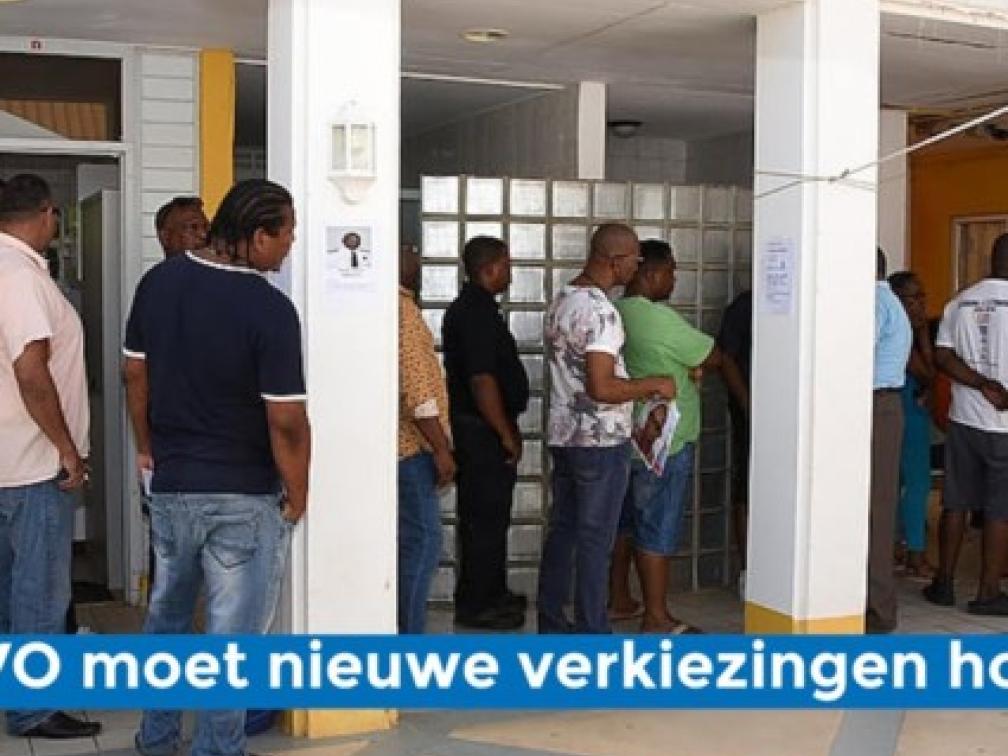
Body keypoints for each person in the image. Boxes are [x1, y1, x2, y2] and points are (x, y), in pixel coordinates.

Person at [124, 179, 310, 756]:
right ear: (258, 236)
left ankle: (156, 740)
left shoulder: (158, 282)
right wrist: (299, 491)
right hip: (241, 497)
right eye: (287, 233)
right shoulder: (270, 310)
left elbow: (134, 374)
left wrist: (148, 446)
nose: (291, 244)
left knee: (167, 625)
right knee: (231, 647)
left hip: (173, 488)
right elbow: (286, 420)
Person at [538, 223, 676, 634]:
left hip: (565, 436)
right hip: (598, 445)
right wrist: (652, 384)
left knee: (563, 532)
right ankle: (593, 634)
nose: (637, 265)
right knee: (596, 541)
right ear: (615, 260)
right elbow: (601, 387)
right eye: (634, 258)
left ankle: (551, 623)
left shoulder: (562, 299)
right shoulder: (602, 313)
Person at [0, 174, 100, 739]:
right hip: (33, 463)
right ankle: (34, 708)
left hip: (9, 460)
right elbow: (31, 370)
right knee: (39, 592)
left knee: (12, 590)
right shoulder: (18, 275)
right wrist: (67, 449)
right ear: (46, 213)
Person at [609, 240, 748, 633]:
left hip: (627, 436)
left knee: (623, 524)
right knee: (658, 526)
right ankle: (656, 616)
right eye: (671, 270)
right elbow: (712, 356)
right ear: (651, 273)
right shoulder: (658, 319)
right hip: (664, 443)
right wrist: (693, 368)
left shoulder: (617, 311)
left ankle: (619, 598)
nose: (674, 278)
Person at [443, 236, 530, 630]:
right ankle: (478, 604)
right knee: (484, 520)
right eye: (507, 265)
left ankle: (492, 592)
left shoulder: (476, 308)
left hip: (483, 428)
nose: (510, 273)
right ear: (490, 268)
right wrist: (504, 433)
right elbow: (482, 380)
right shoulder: (474, 312)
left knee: (491, 517)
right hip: (481, 432)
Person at [924, 234, 1008, 615]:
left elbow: (942, 356)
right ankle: (988, 592)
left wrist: (979, 383)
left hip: (963, 420)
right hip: (1003, 427)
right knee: (999, 509)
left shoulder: (959, 302)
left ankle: (943, 583)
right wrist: (995, 389)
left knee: (955, 502)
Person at [398, 243, 455, 633]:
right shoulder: (401, 311)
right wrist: (441, 448)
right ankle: (409, 639)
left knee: (413, 541)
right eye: (408, 249)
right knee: (423, 542)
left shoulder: (397, 307)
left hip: (404, 447)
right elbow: (418, 394)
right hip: (411, 448)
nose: (416, 255)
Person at [867, 248, 913, 633]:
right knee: (874, 508)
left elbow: (852, 356)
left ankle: (879, 610)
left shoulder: (874, 302)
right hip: (882, 405)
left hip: (876, 406)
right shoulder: (887, 301)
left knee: (877, 512)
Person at [888, 271, 936, 579]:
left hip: (906, 411)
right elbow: (927, 373)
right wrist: (922, 336)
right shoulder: (900, 335)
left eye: (922, 297)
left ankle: (898, 546)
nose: (920, 305)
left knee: (896, 483)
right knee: (918, 483)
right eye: (913, 298)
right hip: (907, 414)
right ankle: (916, 553)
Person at [716, 288, 752, 596]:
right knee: (747, 488)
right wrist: (746, 402)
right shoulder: (746, 305)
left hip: (793, 415)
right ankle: (748, 571)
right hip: (752, 412)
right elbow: (725, 357)